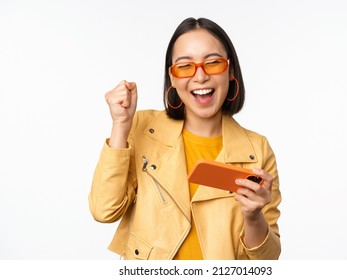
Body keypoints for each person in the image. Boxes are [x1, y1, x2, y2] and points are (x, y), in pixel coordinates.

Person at [89, 17, 282, 260]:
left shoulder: (257, 148)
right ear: (172, 78)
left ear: (230, 71)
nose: (200, 76)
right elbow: (104, 211)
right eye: (185, 66)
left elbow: (268, 260)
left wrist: (254, 216)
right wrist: (120, 126)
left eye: (212, 63)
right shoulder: (143, 127)